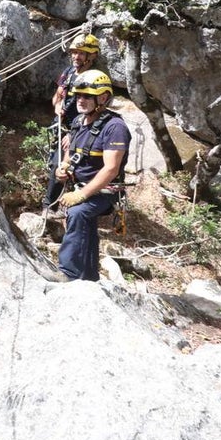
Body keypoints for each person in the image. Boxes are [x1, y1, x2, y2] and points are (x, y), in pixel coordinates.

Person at [54, 69, 131, 281]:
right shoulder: (79, 121)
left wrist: (82, 195)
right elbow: (72, 151)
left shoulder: (115, 128)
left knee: (79, 213)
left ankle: (68, 272)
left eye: (87, 96)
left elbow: (111, 169)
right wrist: (64, 167)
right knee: (83, 224)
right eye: (79, 95)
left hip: (104, 191)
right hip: (81, 186)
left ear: (103, 97)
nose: (81, 99)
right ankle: (89, 277)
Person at [43, 33, 101, 215]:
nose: (76, 57)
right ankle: (59, 204)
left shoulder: (94, 79)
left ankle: (49, 206)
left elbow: (97, 111)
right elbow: (57, 96)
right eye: (74, 52)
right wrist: (57, 106)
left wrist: (74, 135)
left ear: (91, 56)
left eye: (81, 53)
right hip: (60, 126)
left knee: (61, 166)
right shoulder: (68, 73)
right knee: (56, 165)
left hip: (79, 131)